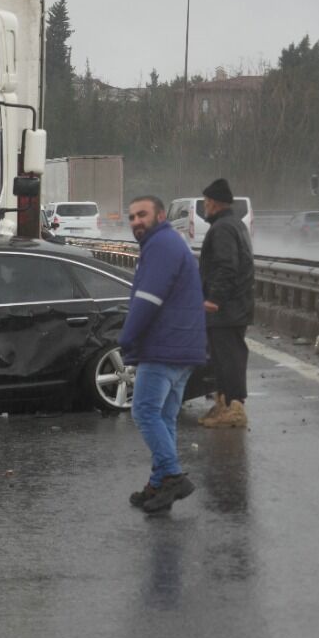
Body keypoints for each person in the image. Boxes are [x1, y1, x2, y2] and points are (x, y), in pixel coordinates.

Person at [118, 194, 207, 513]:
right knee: (164, 417)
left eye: (142, 214)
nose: (136, 221)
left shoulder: (160, 245)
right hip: (183, 347)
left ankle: (171, 475)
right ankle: (159, 485)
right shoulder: (170, 243)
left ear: (159, 216)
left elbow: (148, 297)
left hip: (165, 346)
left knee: (143, 411)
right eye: (131, 217)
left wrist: (127, 337)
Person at [196, 178, 255, 429]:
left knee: (229, 357)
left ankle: (234, 407)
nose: (205, 207)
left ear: (213, 203)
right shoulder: (235, 224)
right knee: (223, 357)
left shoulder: (222, 229)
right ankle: (224, 403)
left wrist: (214, 299)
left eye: (206, 203)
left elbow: (226, 266)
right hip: (236, 306)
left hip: (227, 308)